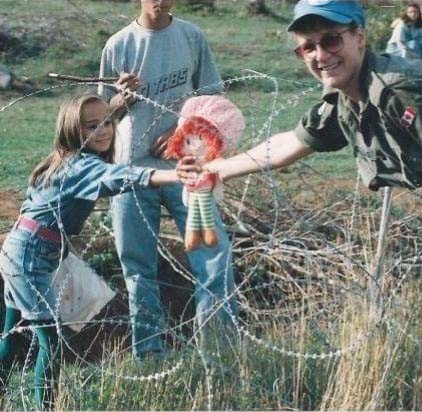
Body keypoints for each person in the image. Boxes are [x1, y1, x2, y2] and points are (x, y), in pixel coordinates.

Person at [0, 93, 196, 410]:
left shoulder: (60, 160)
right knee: (50, 341)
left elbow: (31, 204)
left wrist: (119, 103)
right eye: (92, 126)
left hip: (26, 249)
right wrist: (176, 174)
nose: (103, 131)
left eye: (107, 122)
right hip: (30, 257)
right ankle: (45, 407)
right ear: (71, 130)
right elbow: (120, 176)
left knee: (10, 334)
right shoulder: (81, 166)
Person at [179, 1, 422, 215]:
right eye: (308, 47)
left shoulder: (398, 91)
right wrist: (215, 169)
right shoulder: (346, 95)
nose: (321, 55)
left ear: (360, 38)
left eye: (332, 40)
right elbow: (292, 143)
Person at [98, 0, 238, 358]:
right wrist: (119, 101)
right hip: (132, 172)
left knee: (212, 256)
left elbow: (213, 100)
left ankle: (219, 352)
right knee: (138, 267)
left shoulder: (192, 37)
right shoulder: (118, 44)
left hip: (187, 169)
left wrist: (181, 131)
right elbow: (100, 118)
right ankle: (149, 357)